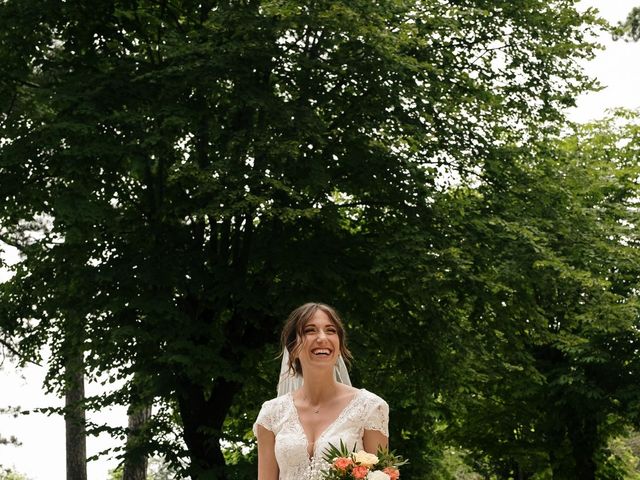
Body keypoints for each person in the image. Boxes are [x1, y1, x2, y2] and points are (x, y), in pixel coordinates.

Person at [253, 302, 389, 480]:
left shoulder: (370, 407)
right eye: (310, 330)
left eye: (331, 330)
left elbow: (382, 475)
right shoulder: (271, 414)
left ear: (340, 346)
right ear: (292, 348)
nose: (322, 338)